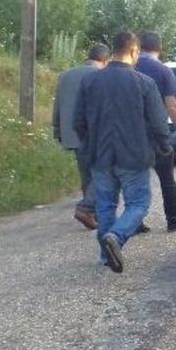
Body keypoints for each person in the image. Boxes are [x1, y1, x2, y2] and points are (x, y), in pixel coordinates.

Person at [73, 31, 172, 273]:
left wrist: (91, 142)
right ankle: (116, 237)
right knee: (138, 203)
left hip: (100, 156)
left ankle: (105, 256)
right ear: (134, 51)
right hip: (134, 156)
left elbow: (77, 121)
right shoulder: (144, 83)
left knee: (105, 205)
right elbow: (159, 123)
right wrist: (165, 145)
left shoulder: (89, 81)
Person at [135, 32, 176, 232]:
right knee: (167, 179)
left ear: (138, 47)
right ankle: (173, 221)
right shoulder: (163, 70)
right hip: (157, 132)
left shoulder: (129, 67)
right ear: (160, 48)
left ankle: (136, 221)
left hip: (131, 134)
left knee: (137, 178)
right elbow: (172, 106)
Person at [52, 43, 109, 230]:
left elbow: (58, 105)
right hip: (95, 133)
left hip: (72, 133)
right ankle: (91, 211)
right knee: (102, 173)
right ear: (105, 59)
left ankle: (89, 211)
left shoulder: (66, 75)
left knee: (86, 174)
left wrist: (58, 130)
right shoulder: (100, 75)